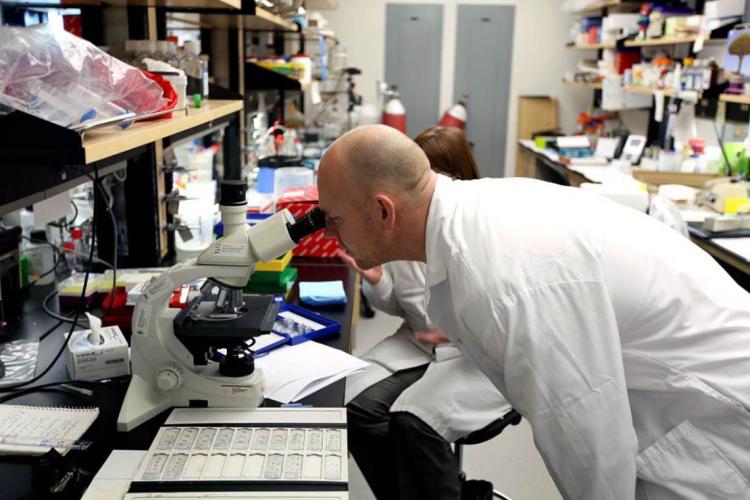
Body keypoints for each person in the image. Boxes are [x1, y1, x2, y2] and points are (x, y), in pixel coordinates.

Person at [317, 124, 750, 500]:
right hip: (669, 404)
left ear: (382, 211)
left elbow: (588, 442)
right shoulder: (469, 218)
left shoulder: (497, 276)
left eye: (332, 218)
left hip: (718, 422)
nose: (330, 233)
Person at [342, 126, 511, 500]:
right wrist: (378, 281)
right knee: (356, 409)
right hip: (418, 346)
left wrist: (456, 330)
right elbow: (400, 304)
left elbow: (508, 317)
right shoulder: (402, 224)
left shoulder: (478, 232)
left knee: (413, 423)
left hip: (475, 356)